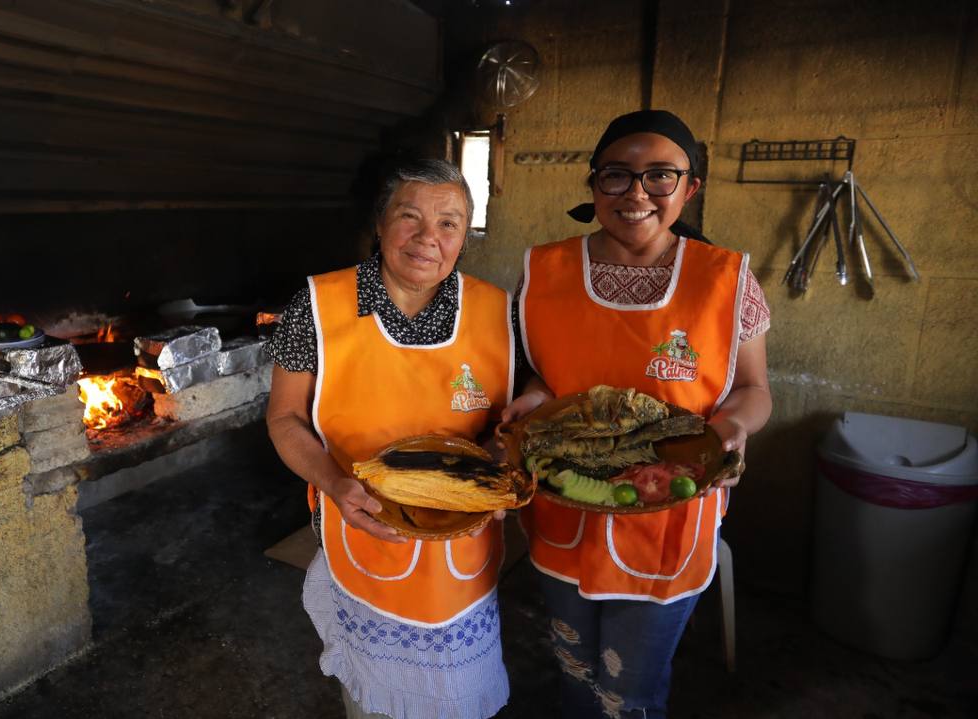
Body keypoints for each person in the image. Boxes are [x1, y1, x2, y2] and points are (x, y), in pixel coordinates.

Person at [502, 110, 773, 718]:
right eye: (616, 176)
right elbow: (546, 374)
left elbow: (755, 389)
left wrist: (731, 426)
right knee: (573, 668)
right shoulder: (540, 272)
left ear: (690, 187)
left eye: (660, 177)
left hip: (672, 512)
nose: (636, 195)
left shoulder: (727, 280)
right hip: (563, 505)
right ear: (593, 184)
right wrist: (535, 401)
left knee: (631, 690)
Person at [266, 159, 515, 719]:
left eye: (450, 223)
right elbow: (284, 419)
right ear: (380, 226)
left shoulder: (498, 311)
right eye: (410, 217)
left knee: (455, 697)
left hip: (463, 547)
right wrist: (332, 481)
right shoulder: (316, 306)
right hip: (359, 524)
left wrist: (508, 460)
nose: (429, 237)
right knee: (371, 702)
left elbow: (517, 420)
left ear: (465, 238)